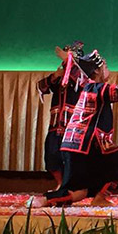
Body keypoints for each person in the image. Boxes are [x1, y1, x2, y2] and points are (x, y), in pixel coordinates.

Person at [30, 50, 118, 207]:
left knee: (80, 191)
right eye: (105, 66)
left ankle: (48, 200)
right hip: (87, 144)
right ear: (97, 71)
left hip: (76, 145)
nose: (108, 69)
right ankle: (93, 197)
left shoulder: (90, 87)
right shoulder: (94, 88)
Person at [36, 41, 85, 189]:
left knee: (71, 158)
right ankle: (60, 183)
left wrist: (69, 64)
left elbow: (83, 83)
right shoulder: (59, 77)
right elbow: (41, 87)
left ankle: (70, 185)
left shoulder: (81, 77)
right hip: (56, 124)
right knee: (51, 156)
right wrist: (54, 76)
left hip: (73, 126)